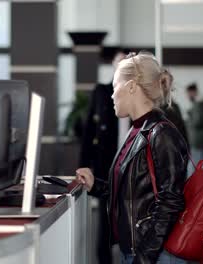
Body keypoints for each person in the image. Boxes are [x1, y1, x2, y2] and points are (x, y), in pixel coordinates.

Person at [76, 52, 188, 264]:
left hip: (153, 255)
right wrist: (96, 186)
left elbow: (171, 203)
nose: (111, 94)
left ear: (131, 87)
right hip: (138, 250)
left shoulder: (161, 134)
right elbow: (133, 192)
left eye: (115, 86)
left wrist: (144, 258)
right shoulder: (138, 130)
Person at [79, 49, 126, 264]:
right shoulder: (102, 91)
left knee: (129, 220)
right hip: (107, 165)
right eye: (118, 62)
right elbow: (89, 129)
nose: (121, 65)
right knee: (105, 225)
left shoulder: (139, 99)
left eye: (125, 62)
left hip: (132, 166)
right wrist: (83, 164)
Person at [185, 83, 203, 167]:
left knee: (195, 163)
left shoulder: (199, 104)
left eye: (188, 93)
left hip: (198, 139)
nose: (187, 96)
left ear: (193, 92)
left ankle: (194, 179)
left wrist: (188, 120)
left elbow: (198, 122)